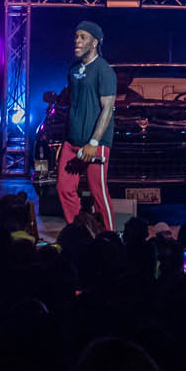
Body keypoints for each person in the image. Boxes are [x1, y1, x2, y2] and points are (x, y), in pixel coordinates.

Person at [55, 19, 117, 236]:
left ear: (95, 42)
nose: (77, 41)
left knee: (98, 194)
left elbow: (107, 109)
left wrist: (93, 142)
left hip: (95, 145)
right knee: (64, 188)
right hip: (72, 142)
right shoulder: (73, 70)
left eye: (83, 37)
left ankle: (109, 238)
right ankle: (79, 233)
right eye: (76, 36)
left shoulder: (104, 70)